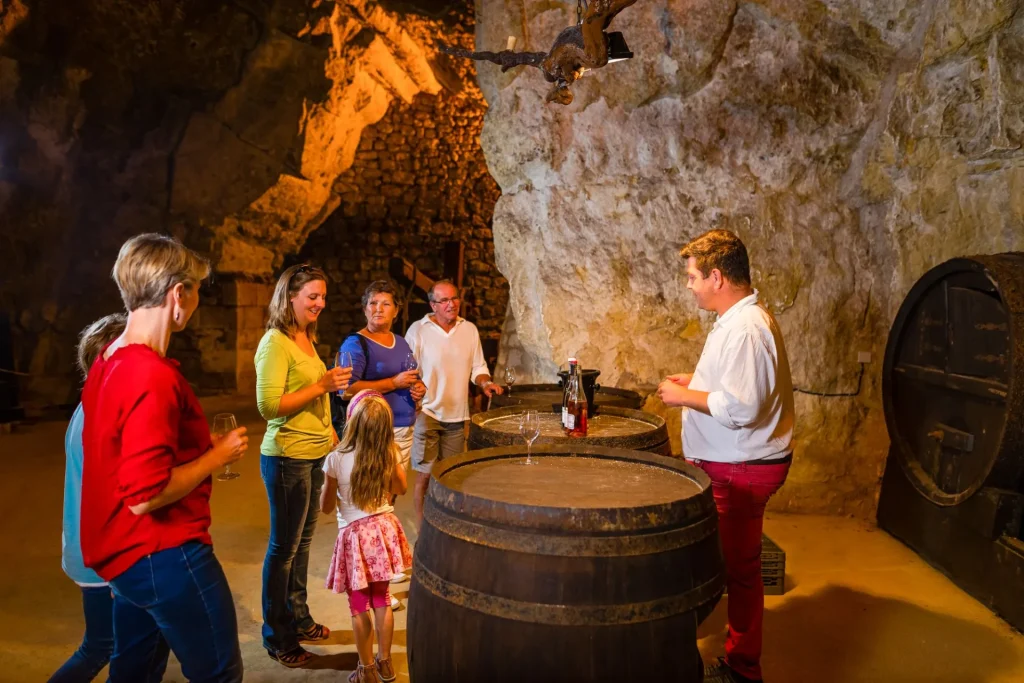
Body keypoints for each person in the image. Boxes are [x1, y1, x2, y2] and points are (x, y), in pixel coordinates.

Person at [80, 233, 248, 683]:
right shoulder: (149, 375)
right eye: (195, 292)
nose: (194, 305)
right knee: (219, 674)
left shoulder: (109, 358)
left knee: (133, 673)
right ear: (178, 294)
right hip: (163, 552)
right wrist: (218, 455)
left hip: (124, 554)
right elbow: (145, 495)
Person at [656, 229, 795, 683]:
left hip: (740, 467)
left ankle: (741, 668)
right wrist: (695, 380)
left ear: (717, 277)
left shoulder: (747, 330)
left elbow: (742, 407)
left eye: (693, 276)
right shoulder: (737, 320)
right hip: (733, 462)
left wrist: (681, 398)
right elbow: (735, 385)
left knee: (736, 570)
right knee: (734, 565)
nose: (689, 285)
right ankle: (739, 658)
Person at [255, 263, 352, 668]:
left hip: (313, 452)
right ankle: (277, 635)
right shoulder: (274, 343)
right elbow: (268, 406)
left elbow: (315, 397)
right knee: (283, 548)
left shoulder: (306, 336)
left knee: (303, 544)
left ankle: (299, 617)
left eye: (322, 297)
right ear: (289, 297)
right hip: (286, 457)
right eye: (312, 296)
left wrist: (329, 429)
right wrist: (322, 385)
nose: (319, 303)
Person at [49, 314, 142, 683]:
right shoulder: (101, 415)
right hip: (100, 556)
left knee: (113, 645)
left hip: (87, 547)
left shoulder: (90, 405)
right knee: (101, 646)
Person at [338, 280, 425, 592]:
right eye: (372, 304)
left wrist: (418, 388)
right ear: (365, 309)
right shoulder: (355, 344)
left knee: (387, 500)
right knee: (372, 502)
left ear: (396, 310)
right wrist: (393, 381)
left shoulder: (400, 342)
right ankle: (373, 573)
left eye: (385, 304)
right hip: (374, 432)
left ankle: (382, 563)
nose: (378, 309)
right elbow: (346, 389)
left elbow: (412, 378)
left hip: (402, 427)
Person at [321, 390, 412, 683]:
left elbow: (324, 507)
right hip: (383, 530)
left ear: (352, 422)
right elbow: (401, 488)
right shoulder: (390, 452)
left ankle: (366, 669)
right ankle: (385, 663)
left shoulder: (335, 458)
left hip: (354, 536)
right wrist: (391, 456)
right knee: (383, 599)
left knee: (359, 605)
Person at [404, 279, 503, 530]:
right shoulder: (418, 330)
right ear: (432, 305)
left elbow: (478, 367)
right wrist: (412, 391)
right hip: (427, 412)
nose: (451, 304)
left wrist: (485, 383)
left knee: (452, 476)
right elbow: (407, 369)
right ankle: (422, 530)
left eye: (455, 298)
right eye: (444, 300)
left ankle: (446, 528)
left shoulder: (469, 329)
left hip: (457, 416)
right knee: (425, 476)